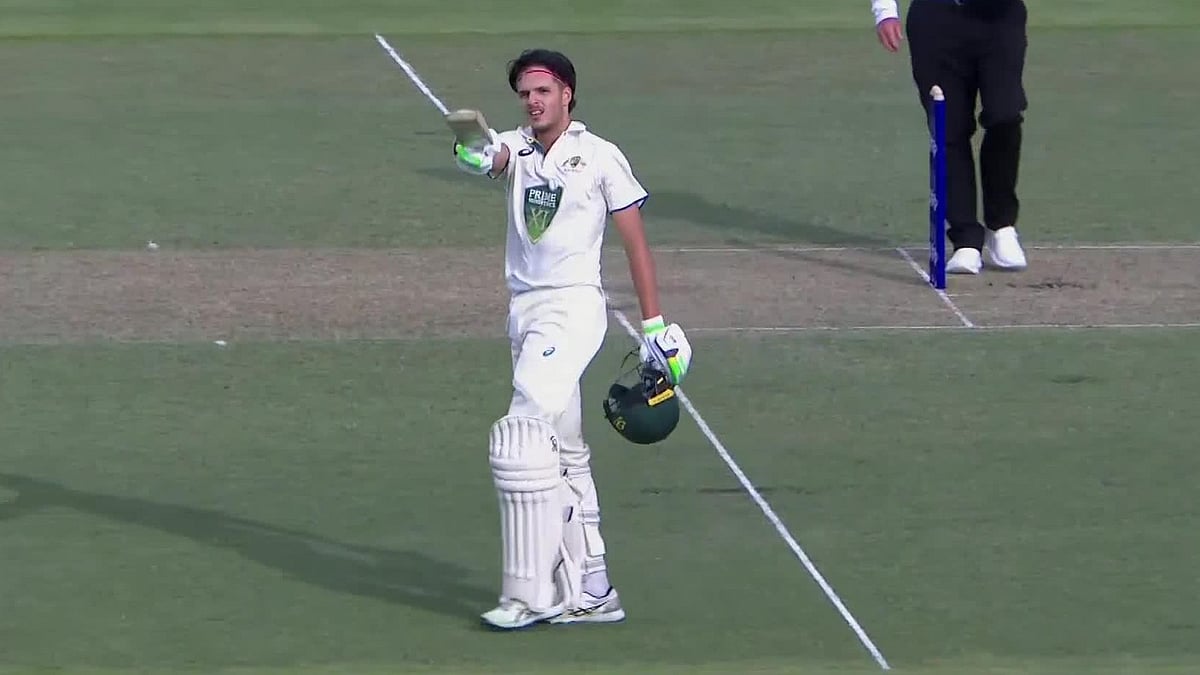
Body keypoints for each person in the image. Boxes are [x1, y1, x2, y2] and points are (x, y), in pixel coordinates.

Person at [450, 48, 693, 630]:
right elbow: (495, 156)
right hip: (525, 311)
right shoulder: (518, 146)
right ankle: (592, 588)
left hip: (575, 308)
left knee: (522, 437)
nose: (533, 102)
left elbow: (635, 242)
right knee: (564, 449)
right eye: (525, 94)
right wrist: (475, 152)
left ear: (568, 94)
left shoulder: (600, 156)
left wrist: (655, 325)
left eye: (543, 91)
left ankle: (530, 593)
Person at [873, 0, 1029, 274]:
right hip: (936, 18)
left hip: (999, 18)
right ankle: (965, 240)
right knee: (948, 128)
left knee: (1004, 113)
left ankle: (1001, 225)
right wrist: (885, 11)